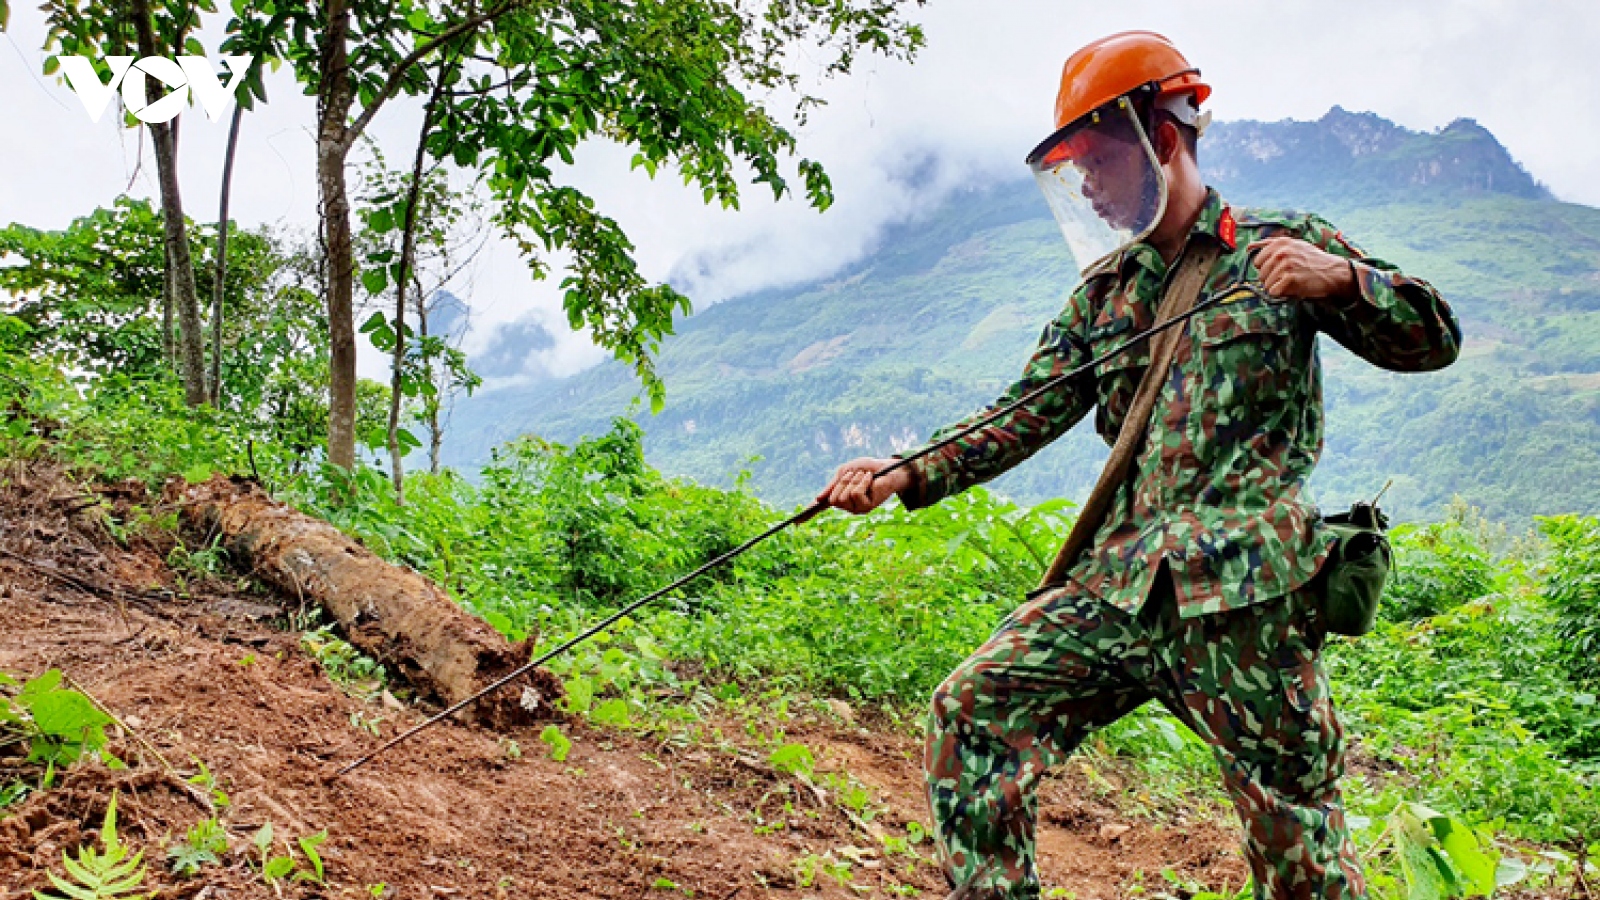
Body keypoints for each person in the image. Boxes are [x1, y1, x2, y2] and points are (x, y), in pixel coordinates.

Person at [815, 30, 1462, 900]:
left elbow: (1435, 338)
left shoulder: (1282, 245)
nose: (1084, 182)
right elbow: (1021, 412)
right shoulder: (1106, 293)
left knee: (1296, 833)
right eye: (1071, 165)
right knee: (974, 711)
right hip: (1119, 590)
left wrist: (1343, 281)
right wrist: (905, 470)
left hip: (1247, 599)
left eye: (1095, 157)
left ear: (1158, 137)